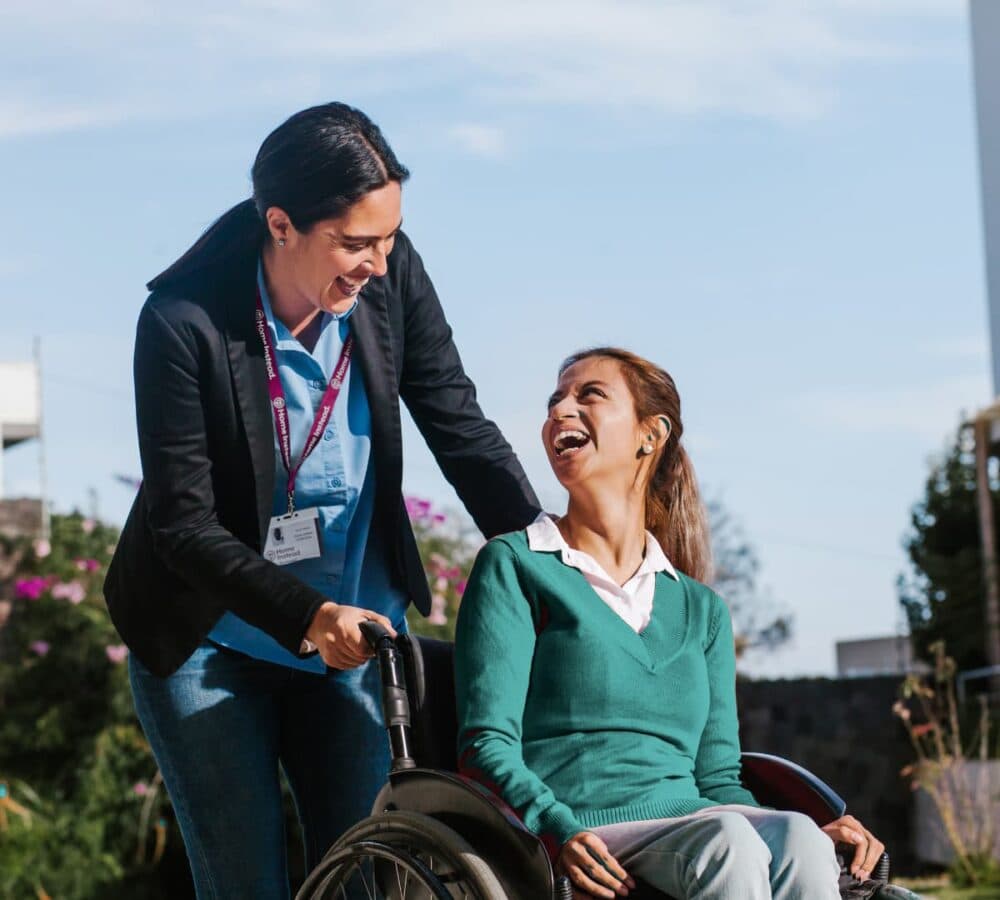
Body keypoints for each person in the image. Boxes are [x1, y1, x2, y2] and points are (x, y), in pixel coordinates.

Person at [104, 102, 540, 899]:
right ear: (281, 224)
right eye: (355, 242)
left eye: (389, 238)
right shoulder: (181, 321)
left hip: (357, 636)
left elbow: (457, 422)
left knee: (367, 879)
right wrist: (305, 616)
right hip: (211, 643)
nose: (378, 261)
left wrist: (552, 563)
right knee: (247, 885)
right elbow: (182, 523)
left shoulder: (390, 276)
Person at [454, 347, 884, 900]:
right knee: (727, 839)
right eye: (555, 399)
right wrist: (556, 828)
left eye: (589, 394)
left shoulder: (702, 611)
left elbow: (719, 780)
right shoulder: (515, 564)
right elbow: (486, 745)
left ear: (649, 435)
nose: (561, 409)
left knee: (799, 836)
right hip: (585, 829)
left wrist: (795, 831)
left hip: (699, 827)